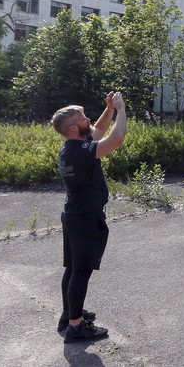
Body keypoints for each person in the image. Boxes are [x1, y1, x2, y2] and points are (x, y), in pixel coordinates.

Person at [50, 91, 127, 343]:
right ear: (74, 127)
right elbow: (116, 139)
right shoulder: (80, 151)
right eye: (83, 117)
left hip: (74, 215)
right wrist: (121, 109)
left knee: (72, 269)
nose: (88, 118)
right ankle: (76, 327)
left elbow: (98, 131)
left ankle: (69, 315)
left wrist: (109, 110)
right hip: (84, 219)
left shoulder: (72, 148)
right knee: (81, 271)